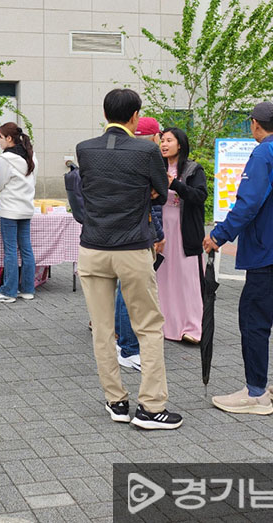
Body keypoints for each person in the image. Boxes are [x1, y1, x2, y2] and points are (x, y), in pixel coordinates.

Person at [75, 88, 182, 430]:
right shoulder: (146, 150)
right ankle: (151, 407)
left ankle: (116, 402)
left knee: (102, 329)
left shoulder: (85, 149)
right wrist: (145, 189)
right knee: (148, 327)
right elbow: (160, 193)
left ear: (105, 113)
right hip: (132, 247)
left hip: (93, 248)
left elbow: (89, 189)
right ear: (136, 116)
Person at [204, 102, 273, 415]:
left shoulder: (263, 153)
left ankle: (256, 393)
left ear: (254, 124)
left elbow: (248, 202)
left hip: (270, 249)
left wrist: (219, 235)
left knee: (254, 320)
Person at [110, 117, 167, 371]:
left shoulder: (121, 155)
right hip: (137, 234)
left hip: (116, 232)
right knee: (133, 292)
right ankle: (129, 348)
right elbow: (153, 202)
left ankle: (121, 341)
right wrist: (158, 234)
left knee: (122, 288)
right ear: (155, 137)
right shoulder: (148, 157)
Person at [157, 127, 208, 343]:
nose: (164, 144)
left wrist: (175, 184)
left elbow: (199, 196)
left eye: (169, 140)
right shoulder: (156, 167)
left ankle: (193, 328)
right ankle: (164, 325)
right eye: (162, 140)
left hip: (185, 231)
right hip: (162, 230)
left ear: (180, 144)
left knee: (188, 280)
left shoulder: (193, 169)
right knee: (163, 278)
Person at [0, 122, 37, 304]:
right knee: (26, 248)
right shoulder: (31, 156)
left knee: (10, 250)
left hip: (10, 210)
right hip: (26, 208)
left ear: (9, 138)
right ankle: (28, 289)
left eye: (0, 137)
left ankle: (8, 291)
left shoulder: (6, 158)